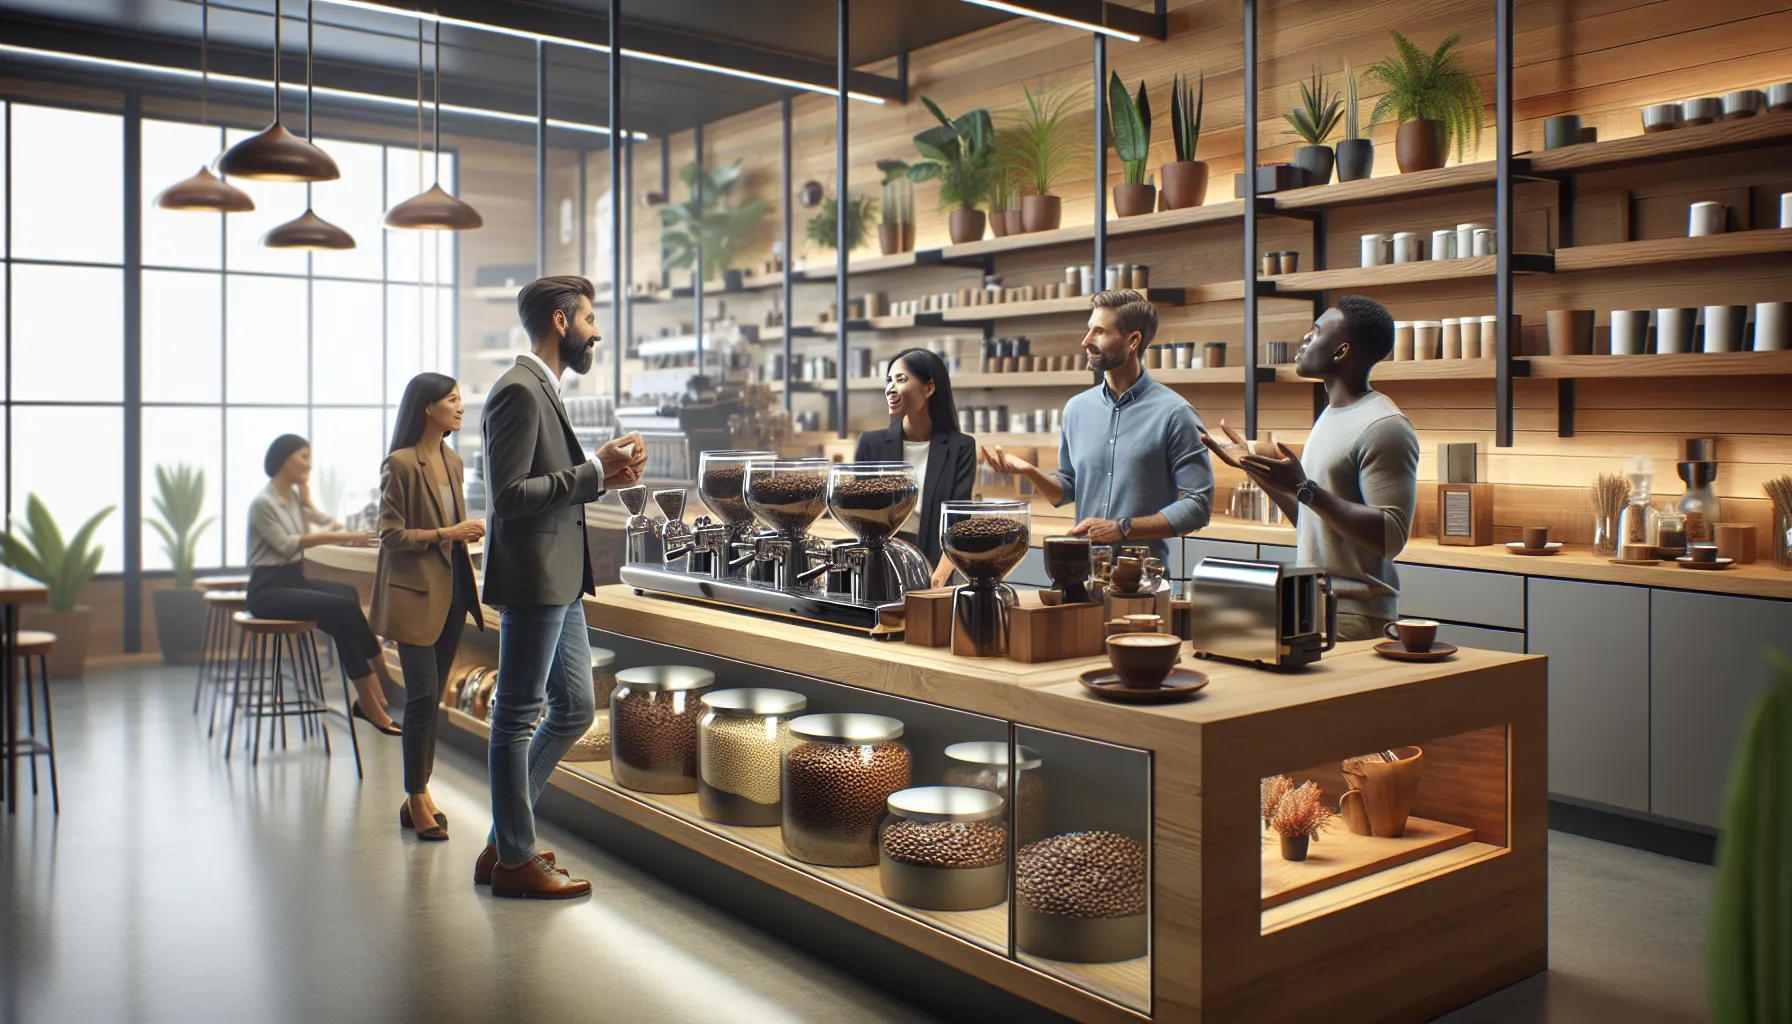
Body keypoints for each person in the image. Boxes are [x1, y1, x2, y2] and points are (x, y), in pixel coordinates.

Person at [479, 275, 645, 899]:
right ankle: (516, 862)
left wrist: (601, 471)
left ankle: (503, 842)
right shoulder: (519, 391)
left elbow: (554, 480)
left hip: (561, 579)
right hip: (535, 579)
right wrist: (594, 471)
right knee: (517, 715)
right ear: (559, 320)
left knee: (573, 707)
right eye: (590, 320)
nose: (596, 332)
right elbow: (509, 497)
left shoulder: (540, 389)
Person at [1203, 295, 1420, 642]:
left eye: (1316, 332)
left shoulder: (1385, 425)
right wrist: (1253, 468)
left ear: (1341, 352)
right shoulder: (1331, 416)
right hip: (1314, 606)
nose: (1304, 339)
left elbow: (1391, 537)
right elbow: (1313, 520)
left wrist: (1306, 488)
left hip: (1354, 615)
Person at [979, 289, 1213, 560]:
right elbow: (1066, 489)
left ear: (1133, 340)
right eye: (1090, 330)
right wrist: (1029, 470)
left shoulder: (1176, 414)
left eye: (1099, 332)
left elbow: (1199, 505)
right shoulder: (1076, 409)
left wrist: (1121, 528)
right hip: (1082, 574)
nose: (1086, 341)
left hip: (1143, 583)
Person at [372, 372, 485, 843]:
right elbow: (390, 534)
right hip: (416, 596)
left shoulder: (455, 461)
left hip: (455, 592)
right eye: (453, 400)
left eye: (461, 400)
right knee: (419, 696)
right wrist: (449, 534)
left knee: (433, 697)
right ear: (427, 407)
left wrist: (463, 536)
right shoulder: (399, 464)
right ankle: (416, 794)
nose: (461, 408)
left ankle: (419, 793)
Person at [246, 434, 400, 735]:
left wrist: (306, 498)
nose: (309, 464)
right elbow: (288, 544)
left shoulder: (290, 499)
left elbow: (325, 523)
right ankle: (373, 688)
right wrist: (343, 538)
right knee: (342, 606)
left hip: (292, 579)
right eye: (303, 457)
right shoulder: (262, 504)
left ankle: (369, 695)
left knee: (347, 596)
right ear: (284, 459)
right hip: (267, 591)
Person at [854, 348, 974, 588]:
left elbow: (958, 524)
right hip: (880, 569)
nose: (890, 388)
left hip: (937, 567)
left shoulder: (961, 447)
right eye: (889, 380)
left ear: (929, 388)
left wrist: (939, 577)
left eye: (901, 379)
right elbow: (861, 518)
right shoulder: (870, 444)